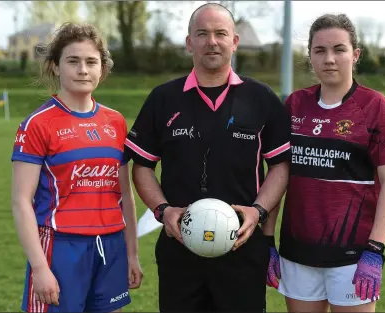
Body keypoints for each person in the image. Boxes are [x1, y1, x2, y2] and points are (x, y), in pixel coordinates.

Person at [124, 3, 291, 312]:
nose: (211, 41)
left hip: (242, 246)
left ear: (235, 41)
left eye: (220, 34)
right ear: (189, 42)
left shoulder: (260, 98)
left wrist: (258, 212)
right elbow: (142, 166)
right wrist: (163, 211)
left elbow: (280, 165)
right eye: (202, 34)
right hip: (179, 249)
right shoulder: (164, 98)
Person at [264, 13, 385, 313]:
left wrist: (375, 250)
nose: (329, 58)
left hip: (353, 257)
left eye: (339, 49)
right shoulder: (294, 105)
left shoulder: (375, 106)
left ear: (355, 55)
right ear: (310, 57)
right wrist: (267, 240)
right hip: (297, 252)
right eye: (320, 50)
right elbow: (277, 174)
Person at [11, 22, 143, 313]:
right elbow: (21, 201)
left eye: (91, 62)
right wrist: (40, 268)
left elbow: (125, 193)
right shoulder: (38, 124)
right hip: (60, 248)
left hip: (110, 246)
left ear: (102, 69)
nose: (83, 69)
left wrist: (132, 254)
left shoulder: (116, 122)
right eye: (73, 61)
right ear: (56, 67)